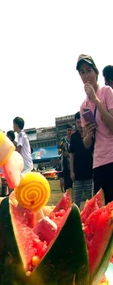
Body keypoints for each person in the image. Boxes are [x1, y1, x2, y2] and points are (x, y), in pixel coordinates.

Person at [77, 55, 113, 204]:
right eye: (82, 72)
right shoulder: (83, 106)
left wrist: (96, 100)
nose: (86, 76)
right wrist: (89, 133)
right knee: (103, 214)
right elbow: (86, 144)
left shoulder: (107, 92)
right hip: (98, 163)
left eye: (88, 70)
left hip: (112, 158)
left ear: (96, 72)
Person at [69, 112, 93, 208]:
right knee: (76, 202)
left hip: (89, 174)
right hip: (77, 175)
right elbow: (71, 155)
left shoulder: (90, 134)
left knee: (91, 200)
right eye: (77, 122)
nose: (79, 125)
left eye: (80, 122)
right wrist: (72, 172)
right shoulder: (73, 137)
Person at [58, 124, 73, 192]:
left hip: (73, 160)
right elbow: (59, 152)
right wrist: (62, 148)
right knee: (67, 178)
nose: (69, 132)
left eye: (70, 130)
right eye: (68, 130)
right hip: (66, 162)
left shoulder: (74, 138)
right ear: (66, 131)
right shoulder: (63, 140)